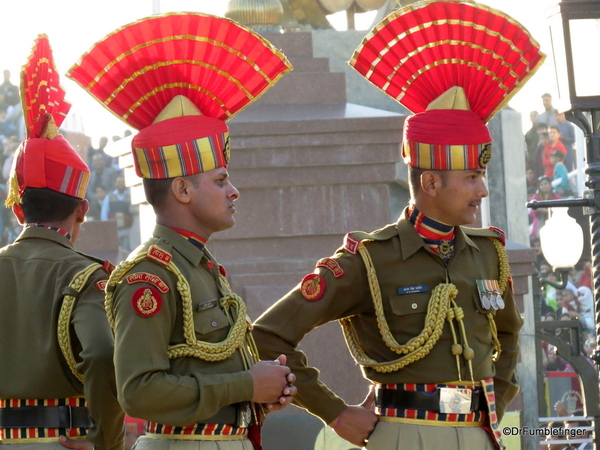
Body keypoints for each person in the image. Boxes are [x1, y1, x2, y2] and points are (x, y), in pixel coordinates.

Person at [253, 2, 542, 449]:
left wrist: (498, 397)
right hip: (405, 435)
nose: (482, 191)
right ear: (429, 181)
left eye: (482, 177)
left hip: (483, 434)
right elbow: (268, 335)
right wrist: (335, 412)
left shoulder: (489, 253)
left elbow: (508, 331)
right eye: (471, 178)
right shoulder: (370, 259)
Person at [68, 12, 295, 450]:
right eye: (220, 180)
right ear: (182, 189)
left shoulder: (202, 266)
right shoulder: (148, 277)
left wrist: (263, 391)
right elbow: (139, 391)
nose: (234, 192)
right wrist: (245, 386)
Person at [0, 35, 124, 450]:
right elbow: (104, 356)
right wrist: (104, 440)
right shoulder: (85, 275)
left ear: (18, 210)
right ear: (82, 210)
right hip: (61, 439)